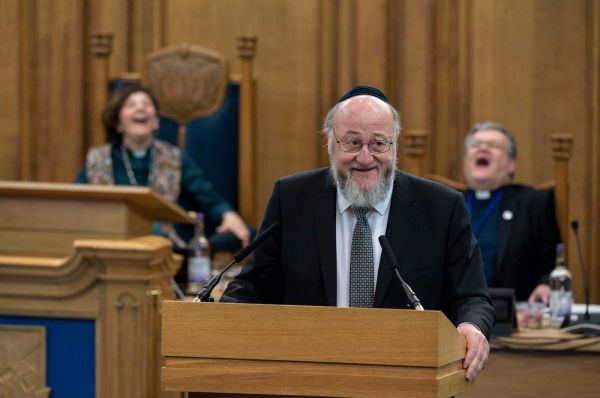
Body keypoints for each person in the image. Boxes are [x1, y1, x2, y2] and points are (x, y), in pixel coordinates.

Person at [221, 86, 495, 381]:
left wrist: (472, 327)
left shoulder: (441, 207)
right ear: (330, 144)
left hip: (408, 379)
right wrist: (220, 320)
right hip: (308, 379)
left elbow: (472, 297)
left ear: (394, 144)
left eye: (378, 143)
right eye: (352, 142)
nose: (365, 158)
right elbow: (253, 286)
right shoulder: (292, 198)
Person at [75, 85, 251, 260]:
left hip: (167, 247)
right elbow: (76, 200)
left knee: (248, 234)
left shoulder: (173, 157)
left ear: (156, 121)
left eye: (146, 103)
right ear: (118, 123)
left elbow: (204, 193)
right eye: (130, 105)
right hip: (111, 245)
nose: (140, 107)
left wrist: (227, 214)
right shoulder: (97, 159)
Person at [462, 122, 561, 304]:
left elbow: (552, 265)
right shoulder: (448, 201)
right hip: (453, 311)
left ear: (510, 164)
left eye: (493, 145)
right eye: (475, 145)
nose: (482, 148)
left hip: (512, 313)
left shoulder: (533, 203)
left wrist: (545, 284)